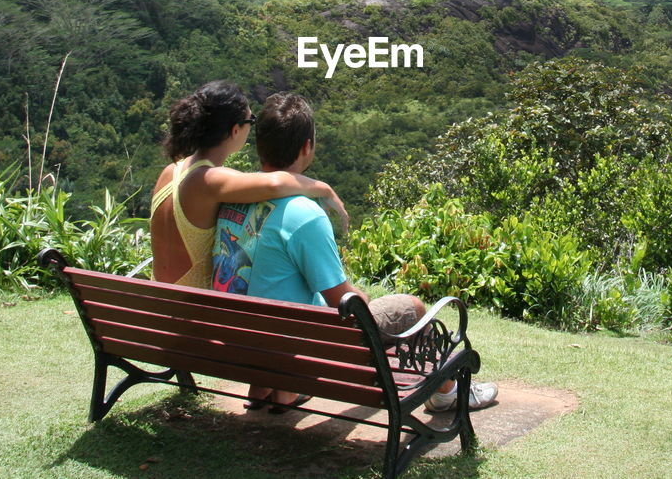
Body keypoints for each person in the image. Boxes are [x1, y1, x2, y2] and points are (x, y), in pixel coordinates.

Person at [213, 92, 498, 413]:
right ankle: (447, 394)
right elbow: (344, 304)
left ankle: (270, 388)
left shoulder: (232, 199)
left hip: (239, 343)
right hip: (295, 345)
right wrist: (361, 298)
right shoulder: (303, 214)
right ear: (307, 147)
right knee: (411, 307)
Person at [150, 80, 348, 289]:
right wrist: (324, 189)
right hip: (189, 312)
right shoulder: (208, 180)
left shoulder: (171, 171)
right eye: (250, 121)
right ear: (236, 130)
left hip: (157, 304)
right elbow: (274, 183)